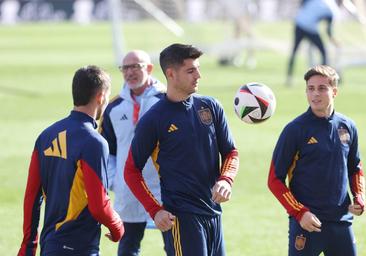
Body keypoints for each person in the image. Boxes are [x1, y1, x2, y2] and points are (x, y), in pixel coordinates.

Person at [124, 43, 240, 256]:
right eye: (191, 70)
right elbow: (131, 170)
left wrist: (226, 179)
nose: (199, 75)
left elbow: (231, 152)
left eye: (197, 68)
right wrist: (155, 210)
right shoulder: (154, 119)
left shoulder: (210, 107)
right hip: (181, 218)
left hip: (213, 214)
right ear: (171, 74)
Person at [18, 65, 124, 256]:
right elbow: (99, 205)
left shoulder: (46, 136)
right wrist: (117, 227)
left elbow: (32, 197)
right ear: (100, 97)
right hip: (79, 247)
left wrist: (28, 247)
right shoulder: (94, 142)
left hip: (50, 245)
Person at [268, 65, 364, 255]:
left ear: (334, 92)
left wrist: (359, 196)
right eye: (310, 88)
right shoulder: (294, 130)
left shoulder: (348, 127)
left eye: (322, 88)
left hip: (341, 223)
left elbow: (355, 167)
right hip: (307, 224)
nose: (315, 94)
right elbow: (274, 180)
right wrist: (299, 212)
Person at [100, 50, 166, 256]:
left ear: (149, 68)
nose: (130, 72)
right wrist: (114, 180)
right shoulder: (114, 107)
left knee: (174, 243)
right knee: (129, 245)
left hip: (163, 189)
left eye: (135, 66)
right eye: (125, 68)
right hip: (128, 189)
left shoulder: (166, 101)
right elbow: (107, 149)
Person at [286, 0, 340, 86]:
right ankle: (324, 78)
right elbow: (328, 31)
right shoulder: (333, 10)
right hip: (310, 28)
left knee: (294, 51)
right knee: (323, 52)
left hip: (299, 23)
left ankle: (288, 78)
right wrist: (333, 40)